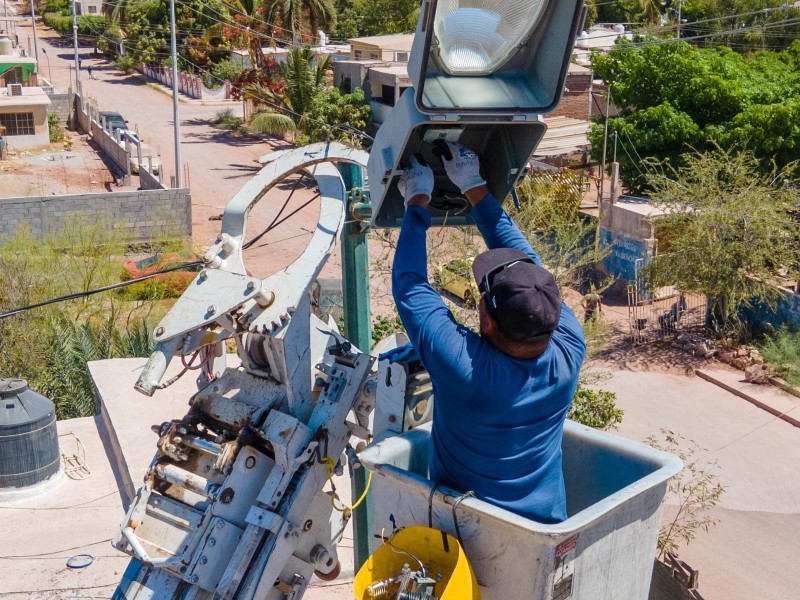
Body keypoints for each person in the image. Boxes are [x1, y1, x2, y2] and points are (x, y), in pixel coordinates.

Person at [392, 143, 586, 524]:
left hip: (471, 533)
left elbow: (411, 286)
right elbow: (532, 271)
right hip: (547, 522)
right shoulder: (568, 344)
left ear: (488, 321)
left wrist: (417, 200)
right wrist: (474, 185)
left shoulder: (467, 371)